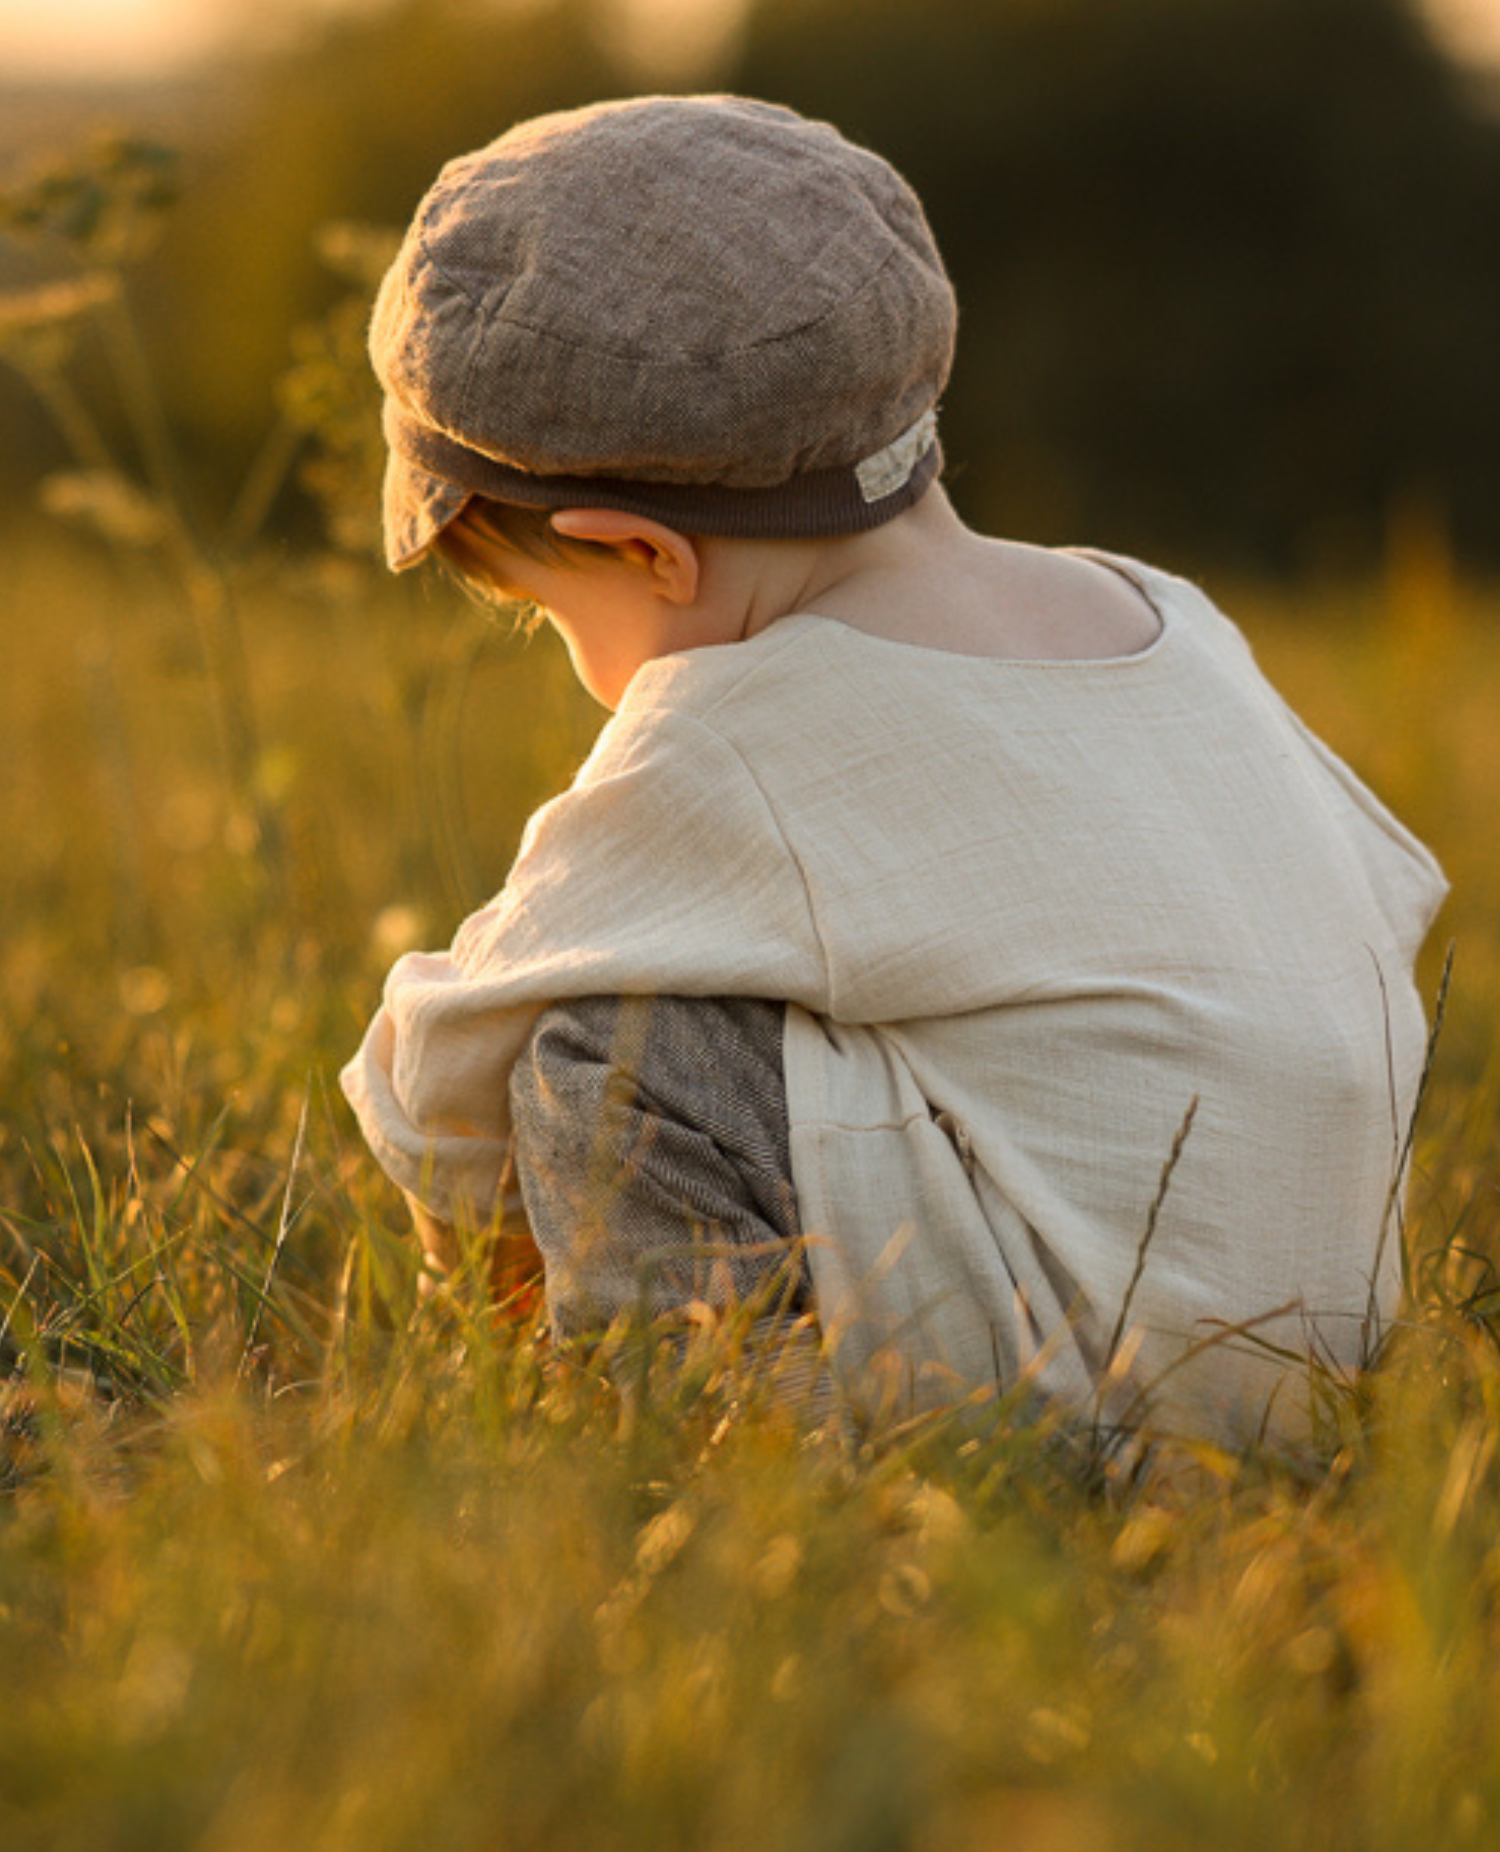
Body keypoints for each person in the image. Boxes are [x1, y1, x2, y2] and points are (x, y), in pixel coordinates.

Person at [341, 94, 1447, 1446]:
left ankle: (715, 1445)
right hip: (1322, 1364)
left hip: (1067, 1404)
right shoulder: (1169, 618)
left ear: (646, 557)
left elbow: (443, 1064)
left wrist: (478, 1287)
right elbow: (1386, 898)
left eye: (553, 619)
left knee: (614, 1044)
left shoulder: (732, 728)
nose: (577, 663)